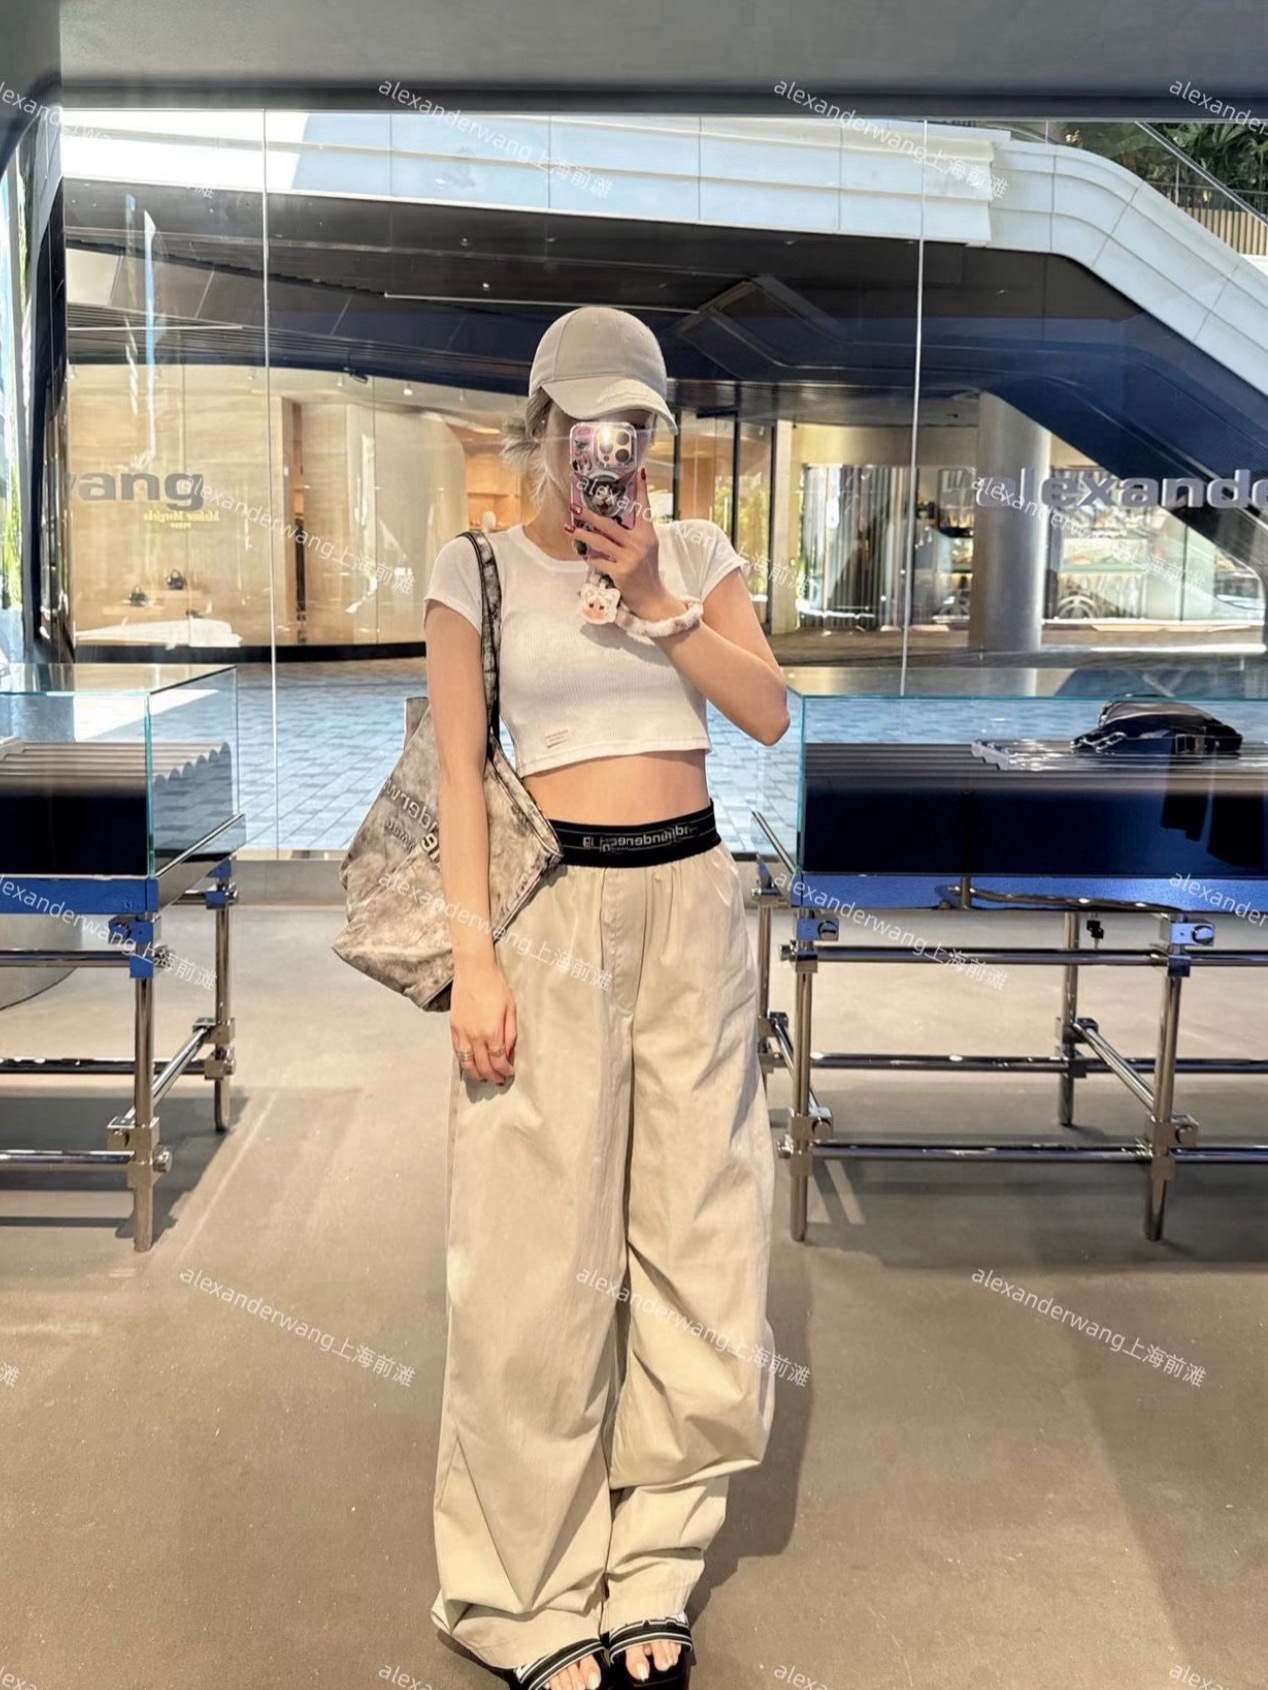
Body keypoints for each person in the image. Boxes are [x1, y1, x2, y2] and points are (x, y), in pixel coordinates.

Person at [422, 306, 788, 1690]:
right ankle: (519, 1589)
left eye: (634, 425)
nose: (612, 448)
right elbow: (462, 778)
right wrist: (475, 960)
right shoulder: (475, 568)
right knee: (529, 1251)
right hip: (548, 911)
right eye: (588, 423)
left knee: (702, 1234)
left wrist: (658, 601)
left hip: (691, 899)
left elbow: (767, 711)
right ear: (542, 429)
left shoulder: (695, 553)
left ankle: (655, 1565)